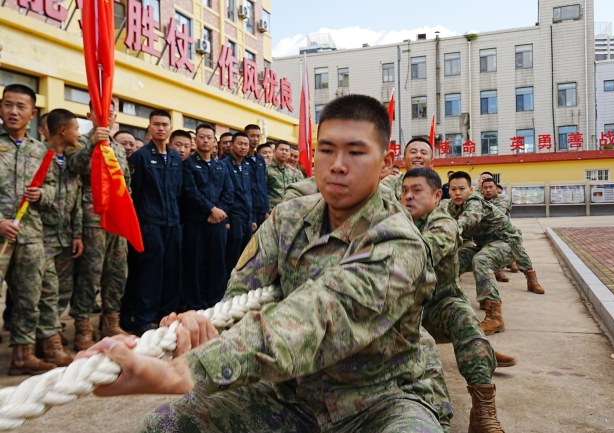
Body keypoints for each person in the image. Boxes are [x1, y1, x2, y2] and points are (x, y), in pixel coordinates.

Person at [81, 94, 444, 433]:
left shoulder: (399, 241)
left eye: (356, 152)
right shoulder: (289, 219)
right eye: (327, 149)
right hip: (291, 394)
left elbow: (323, 313)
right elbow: (241, 300)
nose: (337, 165)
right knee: (166, 425)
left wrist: (190, 368)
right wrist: (191, 333)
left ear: (385, 164)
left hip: (382, 399)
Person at [401, 167, 512, 433]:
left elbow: (421, 253)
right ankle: (438, 420)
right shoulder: (393, 220)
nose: (408, 197)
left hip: (439, 306)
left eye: (417, 191)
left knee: (467, 322)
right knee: (425, 357)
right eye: (404, 191)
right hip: (403, 313)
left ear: (437, 196)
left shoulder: (444, 223)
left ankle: (484, 414)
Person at [0, 84, 61, 375]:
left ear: (32, 113)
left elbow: (54, 190)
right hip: (2, 232)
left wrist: (42, 195)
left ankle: (22, 356)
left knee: (29, 298)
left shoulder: (41, 152)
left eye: (20, 107)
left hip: (31, 234)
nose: (13, 111)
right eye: (7, 105)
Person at [65, 100, 130, 350]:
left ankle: (110, 322)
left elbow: (125, 184)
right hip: (92, 218)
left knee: (117, 273)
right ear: (89, 114)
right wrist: (92, 144)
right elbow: (74, 168)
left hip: (118, 218)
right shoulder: (80, 142)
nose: (108, 117)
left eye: (111, 112)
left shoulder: (119, 148)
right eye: (102, 112)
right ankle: (83, 327)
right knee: (90, 276)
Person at [447, 171, 545, 335]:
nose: (457, 193)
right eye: (453, 189)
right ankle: (450, 305)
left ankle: (494, 318)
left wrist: (452, 229)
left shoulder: (475, 201)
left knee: (482, 260)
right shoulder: (452, 206)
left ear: (470, 190)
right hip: (485, 244)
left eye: (461, 189)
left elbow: (471, 217)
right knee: (452, 260)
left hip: (508, 242)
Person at [123, 109, 183, 336]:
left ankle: (166, 315)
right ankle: (144, 319)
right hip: (150, 224)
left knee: (171, 270)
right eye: (156, 124)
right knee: (150, 272)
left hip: (173, 223)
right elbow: (135, 192)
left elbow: (178, 190)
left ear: (169, 128)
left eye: (164, 124)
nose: (160, 128)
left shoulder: (176, 157)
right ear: (149, 127)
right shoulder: (141, 157)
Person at [39, 109, 83, 357]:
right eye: (76, 129)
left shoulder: (70, 163)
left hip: (65, 237)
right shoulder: (38, 156)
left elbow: (76, 203)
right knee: (46, 291)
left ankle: (49, 337)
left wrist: (77, 234)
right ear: (63, 130)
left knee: (63, 291)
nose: (78, 134)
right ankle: (48, 344)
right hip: (42, 236)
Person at [181, 124, 233, 309]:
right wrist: (210, 209)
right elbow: (190, 191)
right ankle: (194, 304)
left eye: (208, 137)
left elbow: (229, 191)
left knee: (217, 262)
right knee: (195, 264)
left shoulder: (221, 165)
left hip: (217, 222)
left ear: (214, 141)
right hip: (196, 221)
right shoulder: (188, 164)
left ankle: (215, 301)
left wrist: (220, 211)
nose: (205, 140)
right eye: (201, 137)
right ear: (195, 139)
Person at [222, 132, 256, 276]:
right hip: (233, 216)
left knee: (246, 253)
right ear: (232, 145)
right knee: (232, 254)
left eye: (246, 144)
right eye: (240, 143)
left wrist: (253, 218)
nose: (243, 147)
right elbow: (223, 193)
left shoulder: (248, 166)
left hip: (246, 216)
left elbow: (250, 193)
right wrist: (226, 219)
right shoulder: (224, 165)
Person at [265, 140, 304, 211]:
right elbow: (261, 192)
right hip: (271, 210)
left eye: (286, 150)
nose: (284, 152)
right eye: (282, 149)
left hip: (288, 211)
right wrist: (264, 211)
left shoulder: (292, 171)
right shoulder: (267, 169)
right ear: (274, 151)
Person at [244, 124, 269, 227]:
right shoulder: (241, 159)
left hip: (262, 210)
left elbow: (263, 185)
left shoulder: (260, 159)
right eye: (252, 136)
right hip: (248, 211)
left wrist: (266, 210)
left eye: (258, 136)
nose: (255, 139)